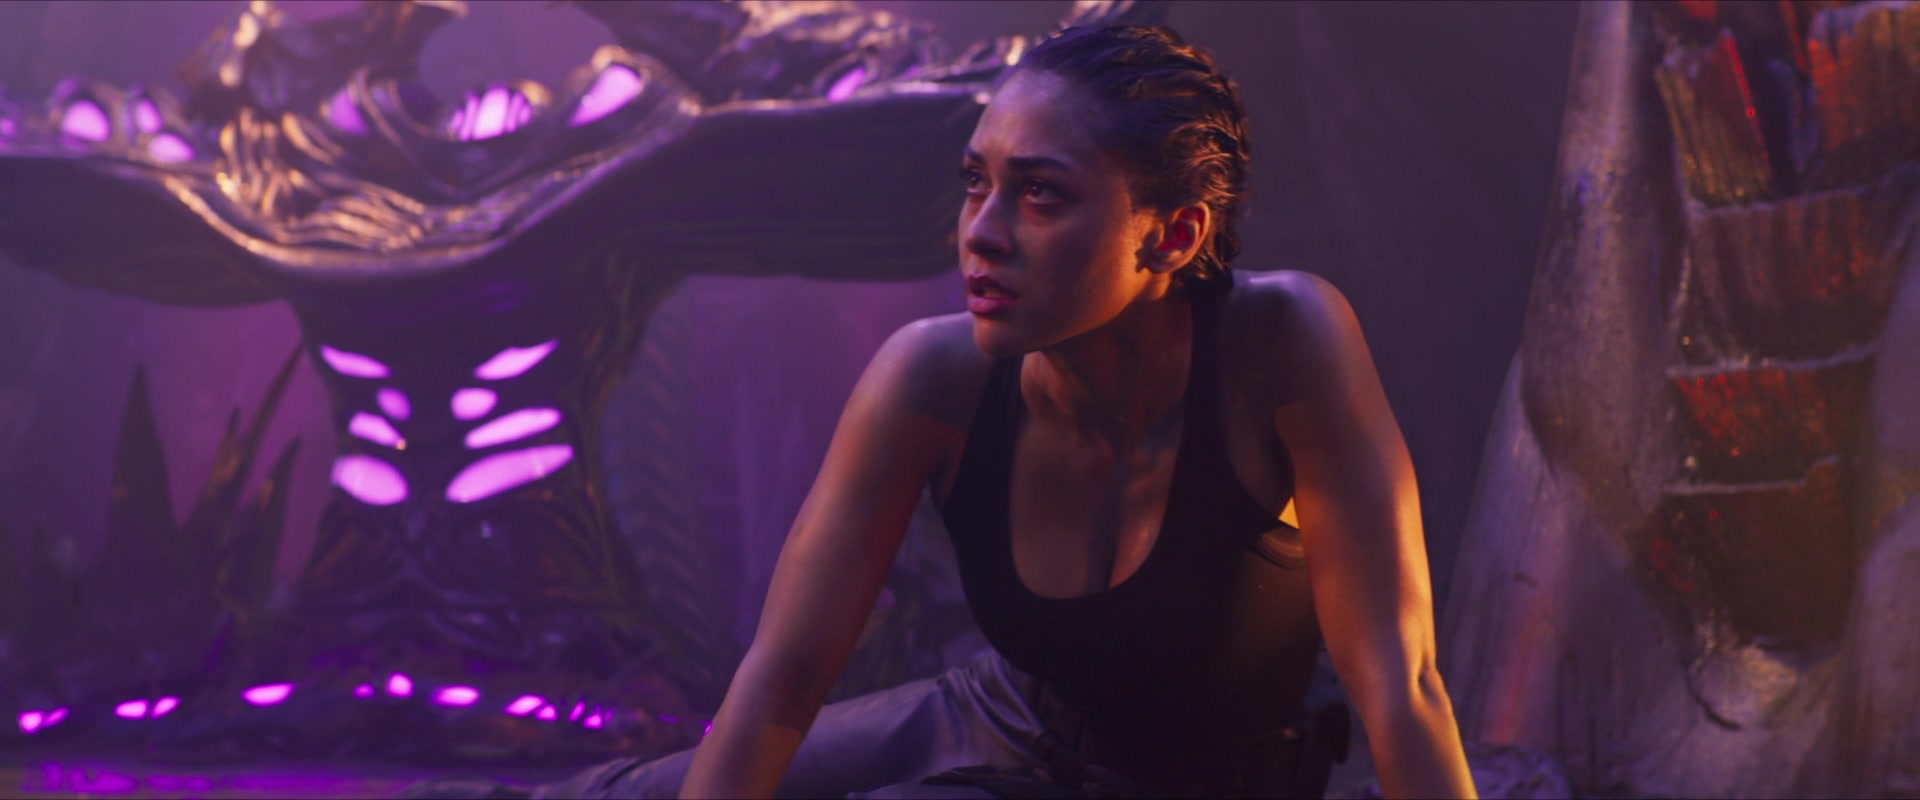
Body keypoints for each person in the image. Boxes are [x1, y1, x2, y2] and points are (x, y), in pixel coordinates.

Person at [417, 22, 1477, 800]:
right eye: (976, 183)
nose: (982, 231)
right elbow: (782, 684)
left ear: (1174, 235)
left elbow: (1405, 683)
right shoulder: (930, 377)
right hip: (994, 718)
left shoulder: (1283, 343)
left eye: (1041, 193)